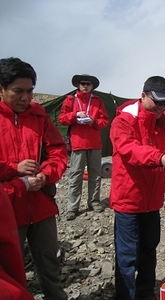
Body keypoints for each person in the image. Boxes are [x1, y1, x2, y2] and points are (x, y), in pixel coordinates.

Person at [109, 76, 165, 300]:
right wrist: (160, 158)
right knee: (127, 255)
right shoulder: (124, 120)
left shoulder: (164, 121)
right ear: (143, 96)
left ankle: (144, 293)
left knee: (149, 250)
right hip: (128, 200)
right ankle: (125, 296)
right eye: (157, 102)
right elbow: (129, 149)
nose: (161, 107)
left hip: (152, 201)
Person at [0, 57, 68, 299]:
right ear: (1, 88)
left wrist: (46, 174)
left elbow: (58, 151)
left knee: (50, 263)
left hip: (41, 206)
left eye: (30, 91)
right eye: (18, 91)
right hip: (7, 208)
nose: (26, 98)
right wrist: (14, 169)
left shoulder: (39, 116)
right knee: (9, 271)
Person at [58, 73, 109, 221]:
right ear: (78, 85)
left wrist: (93, 121)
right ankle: (72, 208)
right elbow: (62, 118)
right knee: (75, 175)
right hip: (77, 143)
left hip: (94, 143)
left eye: (88, 84)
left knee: (95, 173)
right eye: (82, 83)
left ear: (92, 86)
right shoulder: (70, 100)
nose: (85, 86)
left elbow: (104, 121)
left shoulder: (97, 101)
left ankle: (94, 202)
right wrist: (75, 115)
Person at [0, 180, 34, 300]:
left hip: (41, 209)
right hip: (14, 214)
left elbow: (57, 161)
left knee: (49, 260)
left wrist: (45, 175)